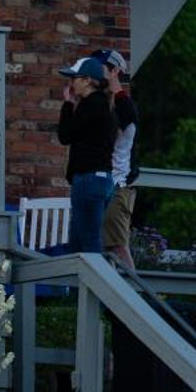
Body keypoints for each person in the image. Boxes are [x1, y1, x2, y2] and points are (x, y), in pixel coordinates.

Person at [56, 55, 118, 253]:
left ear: (87, 80)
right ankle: (77, 285)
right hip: (100, 179)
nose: (71, 83)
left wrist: (67, 104)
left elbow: (65, 135)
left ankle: (96, 284)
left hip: (89, 178)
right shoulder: (101, 104)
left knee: (89, 243)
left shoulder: (91, 104)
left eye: (74, 78)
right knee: (77, 245)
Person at [93, 49, 139, 269]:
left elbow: (110, 134)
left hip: (118, 185)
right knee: (106, 245)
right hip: (106, 183)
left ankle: (135, 298)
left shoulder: (123, 105)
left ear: (114, 71)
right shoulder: (106, 102)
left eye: (100, 67)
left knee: (118, 245)